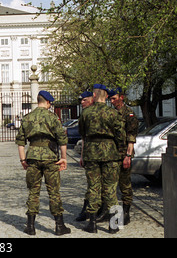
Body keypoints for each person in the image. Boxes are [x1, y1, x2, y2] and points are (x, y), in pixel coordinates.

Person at [15, 90, 71, 236]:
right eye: (50, 103)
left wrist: (22, 159)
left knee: (33, 191)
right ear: (47, 102)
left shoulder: (27, 118)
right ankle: (59, 226)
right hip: (50, 157)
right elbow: (62, 140)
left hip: (32, 156)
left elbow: (21, 142)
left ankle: (30, 226)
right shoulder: (53, 118)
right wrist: (64, 157)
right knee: (54, 191)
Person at [78, 84, 126, 233]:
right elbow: (121, 136)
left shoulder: (86, 113)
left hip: (91, 152)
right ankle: (114, 225)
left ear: (93, 95)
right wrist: (122, 153)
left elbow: (82, 132)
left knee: (93, 187)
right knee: (111, 188)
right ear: (106, 96)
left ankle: (92, 223)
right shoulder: (113, 113)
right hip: (110, 153)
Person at [108, 87, 139, 225]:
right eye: (110, 98)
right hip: (112, 154)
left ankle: (126, 213)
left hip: (123, 153)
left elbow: (131, 137)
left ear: (122, 97)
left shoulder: (129, 114)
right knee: (111, 185)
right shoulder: (111, 113)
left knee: (125, 184)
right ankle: (114, 215)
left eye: (114, 98)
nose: (112, 101)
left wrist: (128, 155)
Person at [75, 91, 94, 222]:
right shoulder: (84, 115)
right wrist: (82, 156)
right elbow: (83, 137)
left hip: (106, 155)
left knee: (108, 186)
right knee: (92, 184)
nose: (82, 102)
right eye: (81, 100)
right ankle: (90, 213)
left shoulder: (95, 112)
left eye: (84, 100)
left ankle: (93, 214)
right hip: (91, 154)